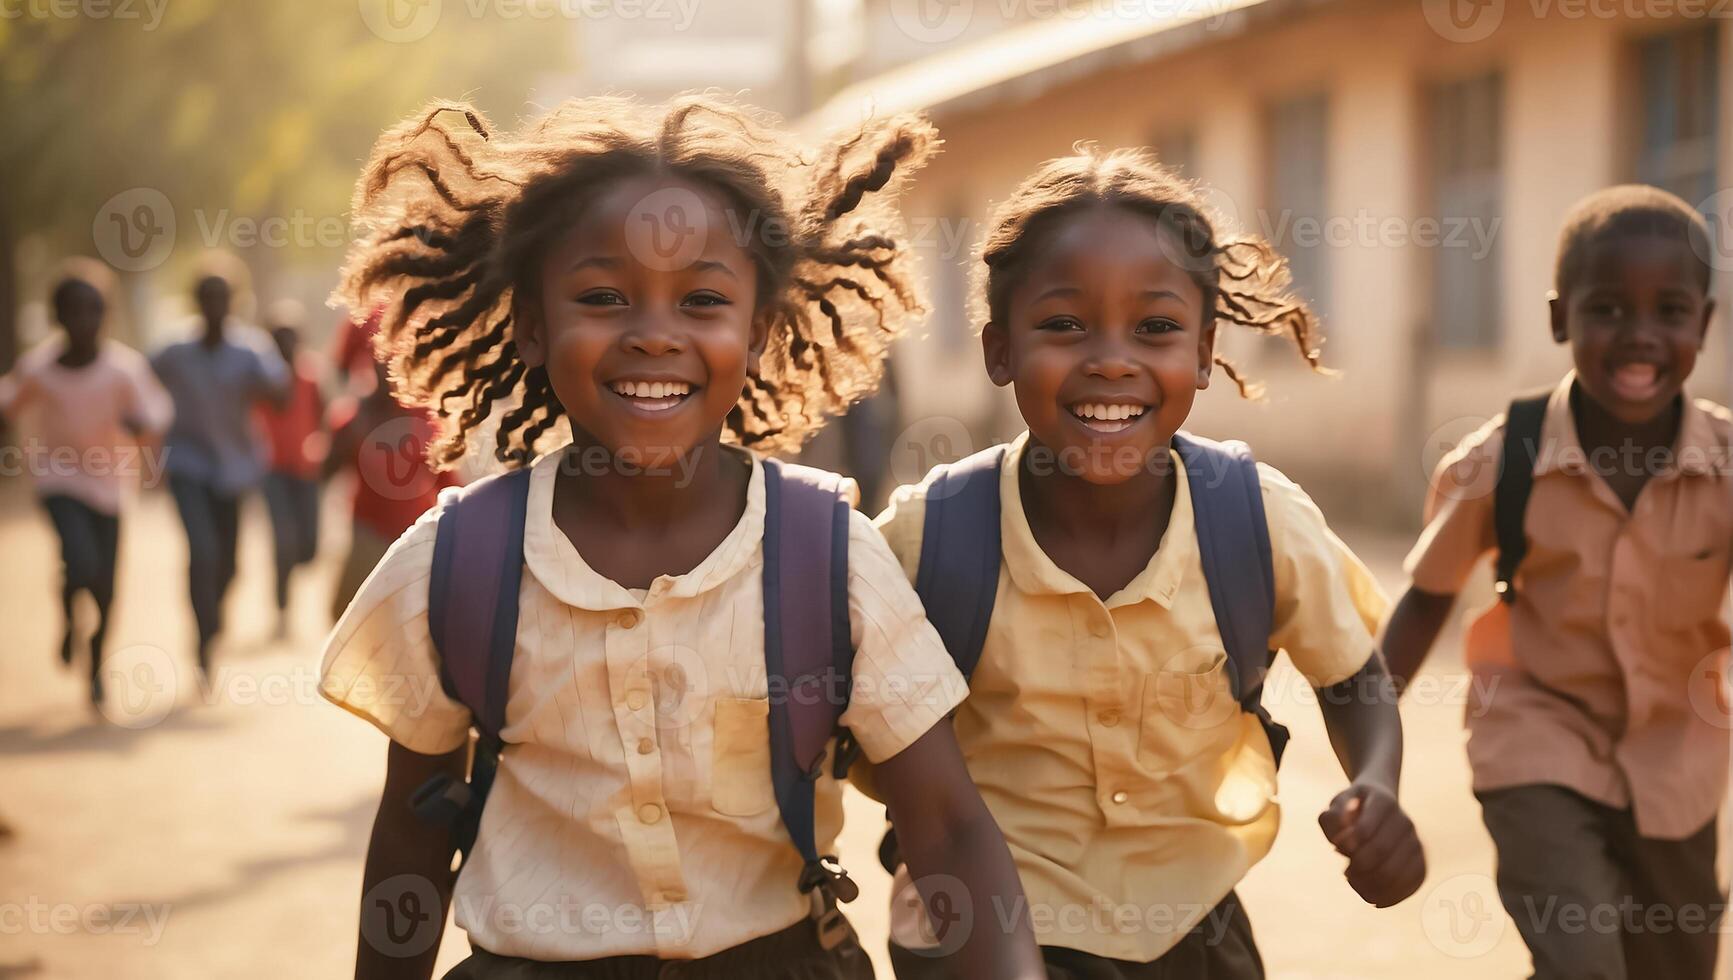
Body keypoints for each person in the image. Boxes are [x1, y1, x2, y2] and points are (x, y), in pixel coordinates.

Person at [317, 95, 1044, 980]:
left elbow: (947, 824)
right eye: (602, 297)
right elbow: (412, 829)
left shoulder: (826, 553)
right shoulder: (459, 561)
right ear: (532, 326)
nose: (653, 334)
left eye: (702, 299)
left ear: (759, 329)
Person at [868, 148, 1427, 977]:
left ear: (1203, 354)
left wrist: (1376, 783)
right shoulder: (927, 537)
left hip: (1195, 933)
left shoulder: (1254, 517)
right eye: (1063, 324)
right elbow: (846, 736)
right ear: (998, 350)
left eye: (1155, 329)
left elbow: (1353, 678)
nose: (1111, 359)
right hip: (990, 933)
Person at [1384, 184, 1729, 980]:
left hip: (1679, 757)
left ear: (1702, 325)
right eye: (1606, 309)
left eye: (1668, 312)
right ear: (1557, 317)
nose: (1639, 338)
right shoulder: (1502, 459)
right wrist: (1365, 742)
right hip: (1534, 740)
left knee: (1673, 965)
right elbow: (1424, 600)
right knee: (1580, 960)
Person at [0, 258, 172, 707]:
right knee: (79, 560)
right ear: (59, 317)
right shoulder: (40, 368)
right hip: (58, 478)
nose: (84, 321)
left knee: (106, 586)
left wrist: (140, 424)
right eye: (74, 312)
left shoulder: (122, 369)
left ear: (105, 315)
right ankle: (67, 615)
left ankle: (94, 657)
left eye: (93, 311)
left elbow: (157, 411)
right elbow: (8, 401)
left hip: (111, 484)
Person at [150, 256, 289, 683]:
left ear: (233, 302)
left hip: (235, 468)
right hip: (188, 464)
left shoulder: (251, 349)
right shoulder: (174, 351)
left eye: (221, 297)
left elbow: (282, 395)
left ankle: (214, 616)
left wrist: (262, 388)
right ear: (196, 302)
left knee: (228, 564)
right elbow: (136, 385)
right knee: (202, 550)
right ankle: (203, 636)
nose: (214, 305)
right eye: (206, 297)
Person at [323, 353, 455, 622]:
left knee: (410, 615)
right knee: (347, 611)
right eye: (380, 366)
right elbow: (325, 471)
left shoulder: (423, 417)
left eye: (394, 367)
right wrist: (347, 439)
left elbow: (447, 478)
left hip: (414, 533)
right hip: (368, 531)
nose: (387, 375)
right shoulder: (353, 416)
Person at [254, 299, 327, 637]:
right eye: (278, 338)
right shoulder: (261, 377)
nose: (285, 345)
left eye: (291, 338)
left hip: (306, 470)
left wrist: (323, 450)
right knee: (283, 540)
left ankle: (292, 565)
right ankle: (282, 608)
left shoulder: (311, 376)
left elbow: (323, 415)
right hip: (272, 471)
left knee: (309, 547)